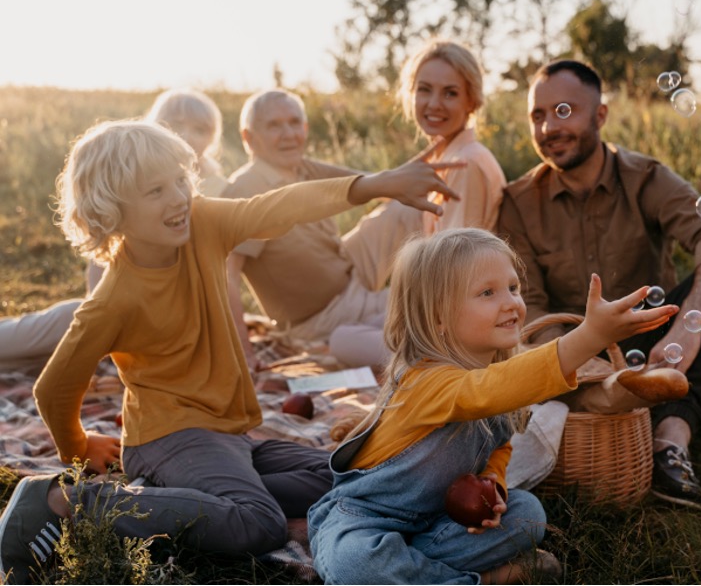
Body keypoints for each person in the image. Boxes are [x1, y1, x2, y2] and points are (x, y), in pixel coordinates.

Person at [0, 120, 459, 584]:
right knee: (258, 523)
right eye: (155, 190)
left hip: (229, 434)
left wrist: (372, 185)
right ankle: (66, 502)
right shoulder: (111, 301)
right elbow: (54, 387)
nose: (178, 197)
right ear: (112, 210)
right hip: (168, 437)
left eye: (180, 180)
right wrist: (77, 448)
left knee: (351, 475)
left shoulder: (201, 223)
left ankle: (197, 493)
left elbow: (274, 208)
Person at [307, 228, 678, 584]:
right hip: (367, 519)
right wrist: (589, 337)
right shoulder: (425, 381)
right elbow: (488, 390)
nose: (512, 303)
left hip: (442, 522)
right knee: (358, 564)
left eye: (513, 288)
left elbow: (498, 449)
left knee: (528, 514)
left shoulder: (497, 377)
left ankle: (413, 568)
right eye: (487, 292)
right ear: (438, 316)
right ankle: (488, 579)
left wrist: (493, 488)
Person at [496, 60, 701, 508]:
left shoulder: (646, 178)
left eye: (563, 111)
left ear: (600, 115)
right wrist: (579, 361)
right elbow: (530, 305)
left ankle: (669, 442)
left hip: (653, 342)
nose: (547, 127)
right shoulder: (517, 204)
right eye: (537, 116)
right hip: (572, 352)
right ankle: (691, 400)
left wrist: (687, 328)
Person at [0, 89, 227, 373]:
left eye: (201, 129)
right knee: (62, 324)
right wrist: (104, 309)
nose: (188, 135)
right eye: (176, 124)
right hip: (121, 302)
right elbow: (105, 250)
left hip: (175, 308)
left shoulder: (219, 188)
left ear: (213, 138)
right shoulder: (131, 179)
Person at [329, 38, 507, 368]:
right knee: (347, 331)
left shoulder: (465, 164)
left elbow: (456, 273)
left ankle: (431, 366)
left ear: (472, 102)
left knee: (342, 340)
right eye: (425, 90)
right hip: (445, 311)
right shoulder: (450, 156)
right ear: (411, 95)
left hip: (459, 328)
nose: (434, 103)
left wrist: (417, 323)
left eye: (450, 93)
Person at [222, 89, 423, 372]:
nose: (288, 134)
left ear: (305, 128)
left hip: (350, 273)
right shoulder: (246, 189)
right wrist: (244, 354)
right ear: (249, 138)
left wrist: (421, 171)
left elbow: (372, 183)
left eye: (294, 123)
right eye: (274, 125)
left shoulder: (302, 167)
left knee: (407, 210)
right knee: (430, 311)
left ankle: (455, 270)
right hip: (323, 319)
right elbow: (227, 274)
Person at [145, 87, 228, 197]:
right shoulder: (142, 174)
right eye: (177, 125)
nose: (187, 137)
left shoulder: (221, 187)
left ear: (212, 138)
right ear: (157, 127)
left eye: (199, 130)